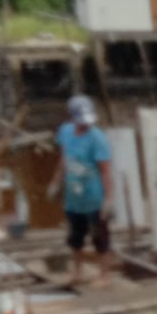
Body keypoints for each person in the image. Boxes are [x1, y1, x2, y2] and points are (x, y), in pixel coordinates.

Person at [47, 95, 114, 287]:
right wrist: (55, 183)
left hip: (94, 197)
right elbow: (64, 160)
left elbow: (106, 171)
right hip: (74, 197)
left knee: (100, 237)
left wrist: (108, 199)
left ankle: (105, 275)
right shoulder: (65, 132)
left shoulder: (97, 139)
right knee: (75, 238)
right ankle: (78, 271)